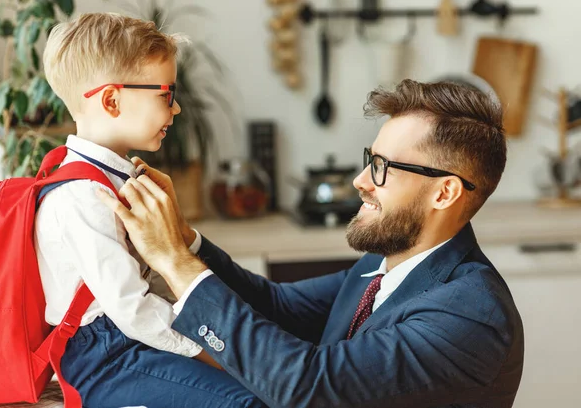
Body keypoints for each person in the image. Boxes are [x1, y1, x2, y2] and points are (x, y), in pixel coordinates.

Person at [99, 79, 524, 408]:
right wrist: (185, 239)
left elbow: (310, 388)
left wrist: (174, 263)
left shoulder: (469, 314)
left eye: (382, 168)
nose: (360, 182)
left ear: (445, 193)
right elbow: (279, 307)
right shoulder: (385, 265)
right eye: (368, 160)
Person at [36, 12, 266, 408]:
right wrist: (210, 353)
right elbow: (132, 307)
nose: (175, 111)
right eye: (166, 95)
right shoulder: (83, 195)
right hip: (103, 356)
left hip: (126, 342)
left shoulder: (112, 179)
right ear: (111, 100)